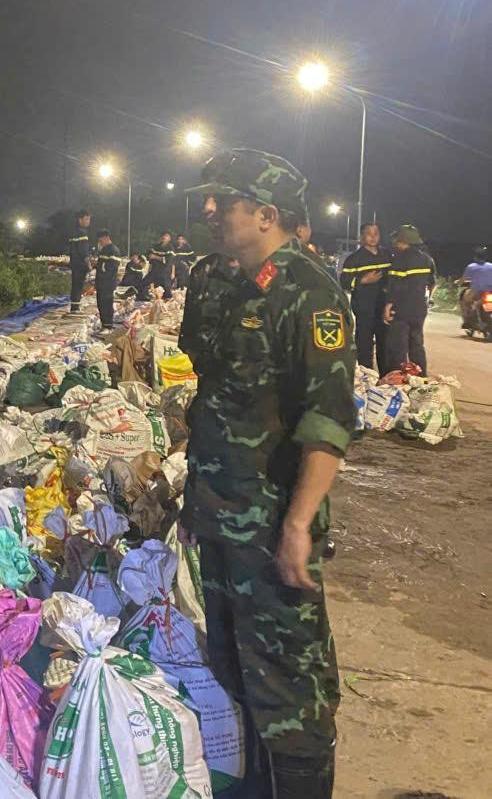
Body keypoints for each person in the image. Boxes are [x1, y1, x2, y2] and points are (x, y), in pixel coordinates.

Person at [180, 148, 353, 798]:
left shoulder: (309, 293)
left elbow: (328, 422)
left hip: (271, 528)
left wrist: (299, 525)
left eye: (222, 201)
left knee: (292, 689)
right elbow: (211, 389)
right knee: (235, 669)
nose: (209, 211)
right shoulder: (227, 285)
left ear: (265, 214)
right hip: (221, 514)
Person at [382, 224, 436, 375]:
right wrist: (425, 300)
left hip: (401, 310)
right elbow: (433, 284)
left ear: (402, 241)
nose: (394, 243)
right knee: (417, 345)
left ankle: (396, 382)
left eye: (396, 240)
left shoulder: (399, 260)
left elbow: (395, 286)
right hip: (419, 309)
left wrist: (388, 307)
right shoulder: (428, 260)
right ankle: (421, 379)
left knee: (397, 348)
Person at [338, 223, 391, 370]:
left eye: (376, 233)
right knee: (364, 344)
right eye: (369, 233)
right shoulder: (354, 259)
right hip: (364, 308)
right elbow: (344, 282)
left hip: (383, 308)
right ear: (362, 237)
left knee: (385, 344)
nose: (373, 237)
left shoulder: (387, 255)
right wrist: (363, 280)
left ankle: (385, 377)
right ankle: (366, 376)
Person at [93, 229, 124, 328]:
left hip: (108, 283)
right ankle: (104, 325)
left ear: (106, 238)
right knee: (101, 305)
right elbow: (101, 265)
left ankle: (108, 325)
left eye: (101, 241)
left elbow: (111, 268)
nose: (100, 243)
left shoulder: (114, 250)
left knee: (106, 305)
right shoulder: (104, 250)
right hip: (101, 282)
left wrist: (101, 269)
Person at [459, 246, 492, 331]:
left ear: (475, 257)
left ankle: (467, 320)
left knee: (464, 301)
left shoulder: (471, 266)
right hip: (490, 292)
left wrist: (459, 283)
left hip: (476, 291)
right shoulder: (490, 266)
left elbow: (463, 279)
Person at [67, 209, 93, 313]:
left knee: (75, 285)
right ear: (80, 219)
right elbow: (84, 251)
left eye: (89, 219)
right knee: (79, 286)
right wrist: (89, 265)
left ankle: (74, 307)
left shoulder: (73, 231)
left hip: (74, 262)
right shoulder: (82, 232)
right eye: (86, 219)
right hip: (80, 264)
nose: (88, 221)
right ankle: (75, 308)